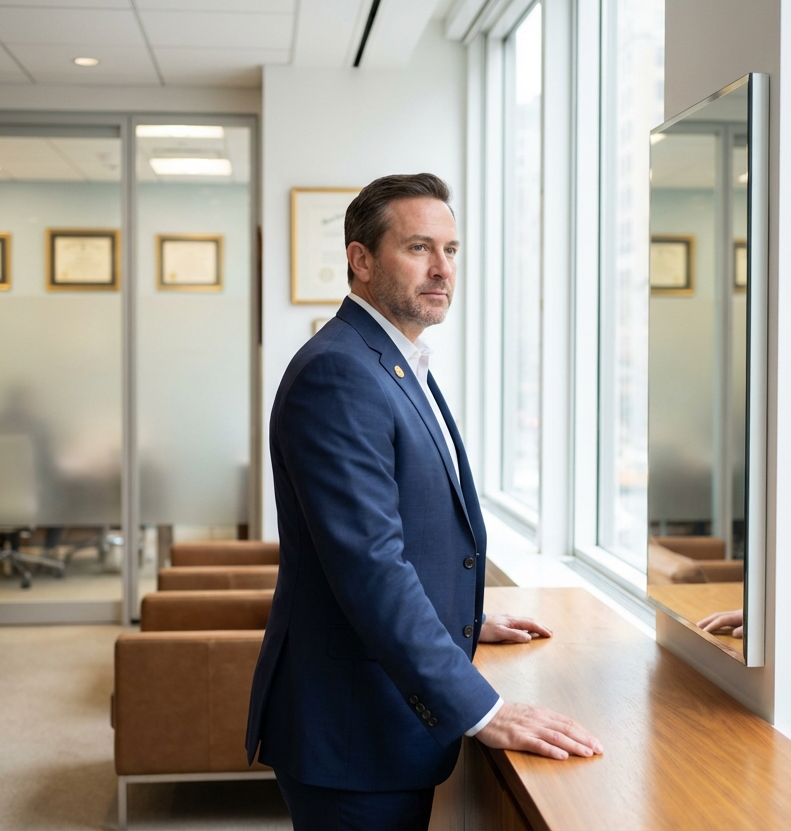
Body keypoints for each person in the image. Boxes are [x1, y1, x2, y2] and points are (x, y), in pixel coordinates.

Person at [245, 174, 601, 831]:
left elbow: (405, 532)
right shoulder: (340, 373)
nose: (443, 269)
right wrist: (488, 711)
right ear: (361, 259)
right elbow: (369, 567)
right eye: (418, 248)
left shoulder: (390, 359)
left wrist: (463, 618)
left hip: (379, 715)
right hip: (354, 727)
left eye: (452, 249)